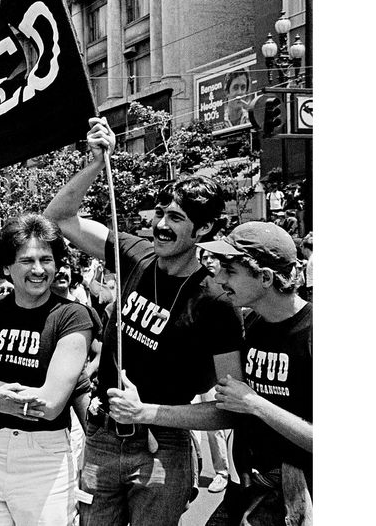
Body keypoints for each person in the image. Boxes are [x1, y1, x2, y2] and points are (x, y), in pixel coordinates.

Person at [44, 117, 244, 526]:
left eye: (176, 218)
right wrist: (96, 164)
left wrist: (149, 413)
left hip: (163, 448)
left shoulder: (217, 302)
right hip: (102, 437)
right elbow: (59, 217)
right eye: (160, 213)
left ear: (203, 228)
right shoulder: (134, 253)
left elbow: (229, 410)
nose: (160, 225)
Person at [107, 221, 313, 525]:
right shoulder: (253, 327)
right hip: (245, 486)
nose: (219, 278)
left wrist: (257, 404)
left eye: (230, 270)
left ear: (266, 277)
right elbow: (225, 407)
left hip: (290, 496)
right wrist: (146, 410)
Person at [0, 213, 95, 525]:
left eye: (46, 259)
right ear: (6, 267)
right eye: (27, 260)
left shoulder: (72, 317)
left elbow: (48, 406)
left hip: (45, 461)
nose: (38, 270)